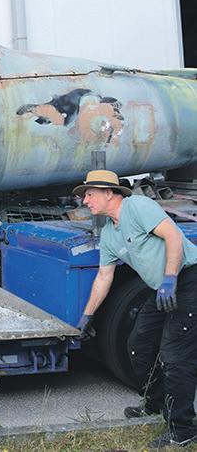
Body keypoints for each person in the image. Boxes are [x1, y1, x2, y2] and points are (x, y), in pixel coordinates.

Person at [74, 169, 197, 448]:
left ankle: (183, 429)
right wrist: (87, 316)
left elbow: (173, 237)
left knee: (175, 356)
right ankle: (155, 404)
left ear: (108, 193)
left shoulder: (137, 206)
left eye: (89, 194)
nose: (85, 201)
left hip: (188, 279)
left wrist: (170, 278)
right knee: (138, 345)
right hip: (162, 288)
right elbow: (103, 277)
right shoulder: (110, 233)